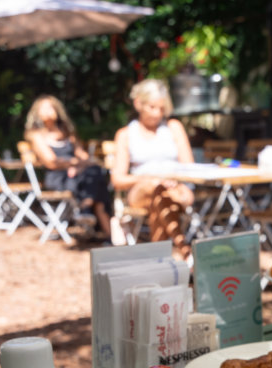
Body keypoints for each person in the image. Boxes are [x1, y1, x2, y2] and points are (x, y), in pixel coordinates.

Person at [110, 79, 195, 252]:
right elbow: (118, 179)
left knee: (160, 198)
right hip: (141, 191)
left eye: (162, 109)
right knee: (155, 187)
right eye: (152, 107)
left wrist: (172, 180)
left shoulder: (174, 127)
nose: (157, 114)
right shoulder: (126, 135)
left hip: (175, 188)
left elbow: (189, 168)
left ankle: (160, 259)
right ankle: (184, 249)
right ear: (138, 104)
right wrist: (151, 179)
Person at [24, 95, 113, 239]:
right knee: (95, 179)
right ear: (37, 112)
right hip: (58, 178)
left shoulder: (67, 133)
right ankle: (102, 227)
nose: (48, 111)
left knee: (94, 173)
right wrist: (75, 164)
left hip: (78, 175)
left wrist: (77, 167)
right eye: (44, 108)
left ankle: (87, 209)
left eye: (50, 107)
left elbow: (84, 157)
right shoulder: (36, 135)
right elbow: (51, 162)